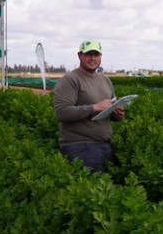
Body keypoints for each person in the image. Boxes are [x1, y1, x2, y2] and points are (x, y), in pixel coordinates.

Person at [53, 39, 124, 172]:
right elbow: (62, 112)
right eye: (88, 54)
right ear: (80, 56)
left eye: (96, 54)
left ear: (100, 57)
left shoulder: (105, 80)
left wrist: (117, 113)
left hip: (105, 145)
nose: (92, 58)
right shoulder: (70, 80)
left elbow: (110, 111)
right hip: (81, 147)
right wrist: (94, 107)